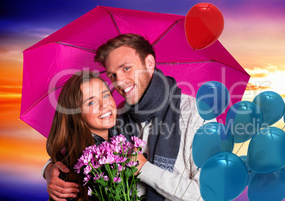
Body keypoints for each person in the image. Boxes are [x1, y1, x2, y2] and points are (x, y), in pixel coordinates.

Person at [44, 33, 208, 200]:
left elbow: (208, 194)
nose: (120, 82)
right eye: (113, 75)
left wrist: (145, 169)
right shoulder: (118, 116)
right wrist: (51, 170)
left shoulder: (196, 114)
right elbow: (82, 147)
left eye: (126, 68)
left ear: (149, 63)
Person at [45, 71, 117, 200]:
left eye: (106, 95)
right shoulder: (72, 167)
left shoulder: (124, 137)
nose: (104, 105)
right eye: (91, 102)